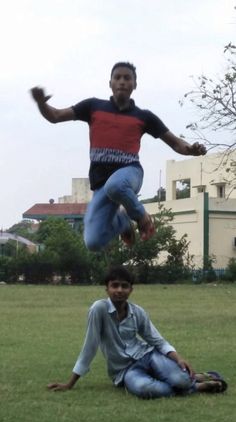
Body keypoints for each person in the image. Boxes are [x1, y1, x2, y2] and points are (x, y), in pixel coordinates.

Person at [30, 62, 207, 251]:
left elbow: (175, 142)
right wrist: (41, 103)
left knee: (115, 185)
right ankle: (122, 222)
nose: (122, 81)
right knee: (93, 242)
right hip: (101, 186)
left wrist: (191, 149)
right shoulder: (93, 107)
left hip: (129, 173)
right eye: (118, 78)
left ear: (134, 85)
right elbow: (55, 116)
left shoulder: (144, 117)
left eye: (127, 78)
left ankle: (143, 218)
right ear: (110, 83)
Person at [47, 265, 227, 398]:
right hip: (125, 371)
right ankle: (197, 386)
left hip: (148, 355)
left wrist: (178, 358)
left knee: (180, 380)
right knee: (148, 390)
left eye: (124, 286)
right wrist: (69, 383)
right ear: (107, 288)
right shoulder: (98, 309)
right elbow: (90, 346)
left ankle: (197, 378)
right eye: (114, 285)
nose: (119, 290)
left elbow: (158, 341)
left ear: (131, 289)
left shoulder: (137, 312)